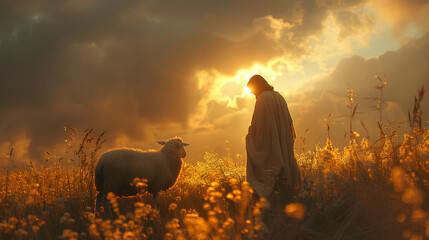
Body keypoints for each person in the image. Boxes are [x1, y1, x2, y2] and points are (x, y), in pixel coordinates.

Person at [245, 75, 301, 209]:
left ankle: (269, 206)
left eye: (252, 89)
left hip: (273, 143)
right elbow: (289, 123)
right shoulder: (279, 96)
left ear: (257, 86)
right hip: (283, 142)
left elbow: (260, 127)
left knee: (267, 173)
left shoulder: (262, 99)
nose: (252, 93)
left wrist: (250, 137)